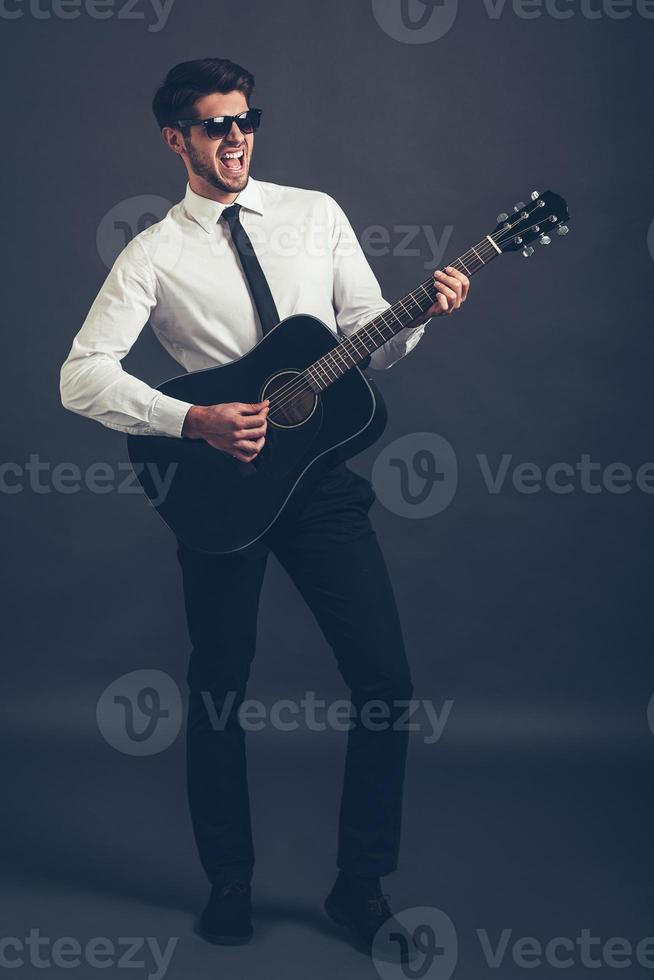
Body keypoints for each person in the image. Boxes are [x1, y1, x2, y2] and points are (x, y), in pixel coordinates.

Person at [60, 57, 469, 951]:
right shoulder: (154, 253)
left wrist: (423, 312)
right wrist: (192, 418)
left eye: (246, 120)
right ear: (178, 140)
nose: (237, 137)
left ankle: (359, 889)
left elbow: (372, 341)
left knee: (385, 679)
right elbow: (79, 375)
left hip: (318, 485)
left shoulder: (313, 214)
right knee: (218, 690)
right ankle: (230, 881)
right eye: (216, 125)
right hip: (221, 490)